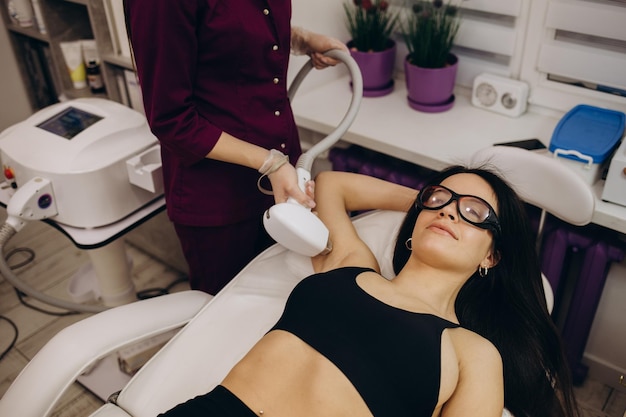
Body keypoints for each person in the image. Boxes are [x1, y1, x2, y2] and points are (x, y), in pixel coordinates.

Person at [159, 167, 580, 417]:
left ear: (491, 257)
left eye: (475, 212)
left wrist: (434, 206)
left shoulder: (472, 352)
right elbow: (331, 185)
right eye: (442, 199)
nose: (450, 209)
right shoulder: (354, 267)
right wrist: (421, 202)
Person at [123, 0, 347, 294]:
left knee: (290, 299)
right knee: (230, 318)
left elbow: (232, 30)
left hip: (283, 178)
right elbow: (171, 119)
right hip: (219, 199)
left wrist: (300, 39)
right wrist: (270, 163)